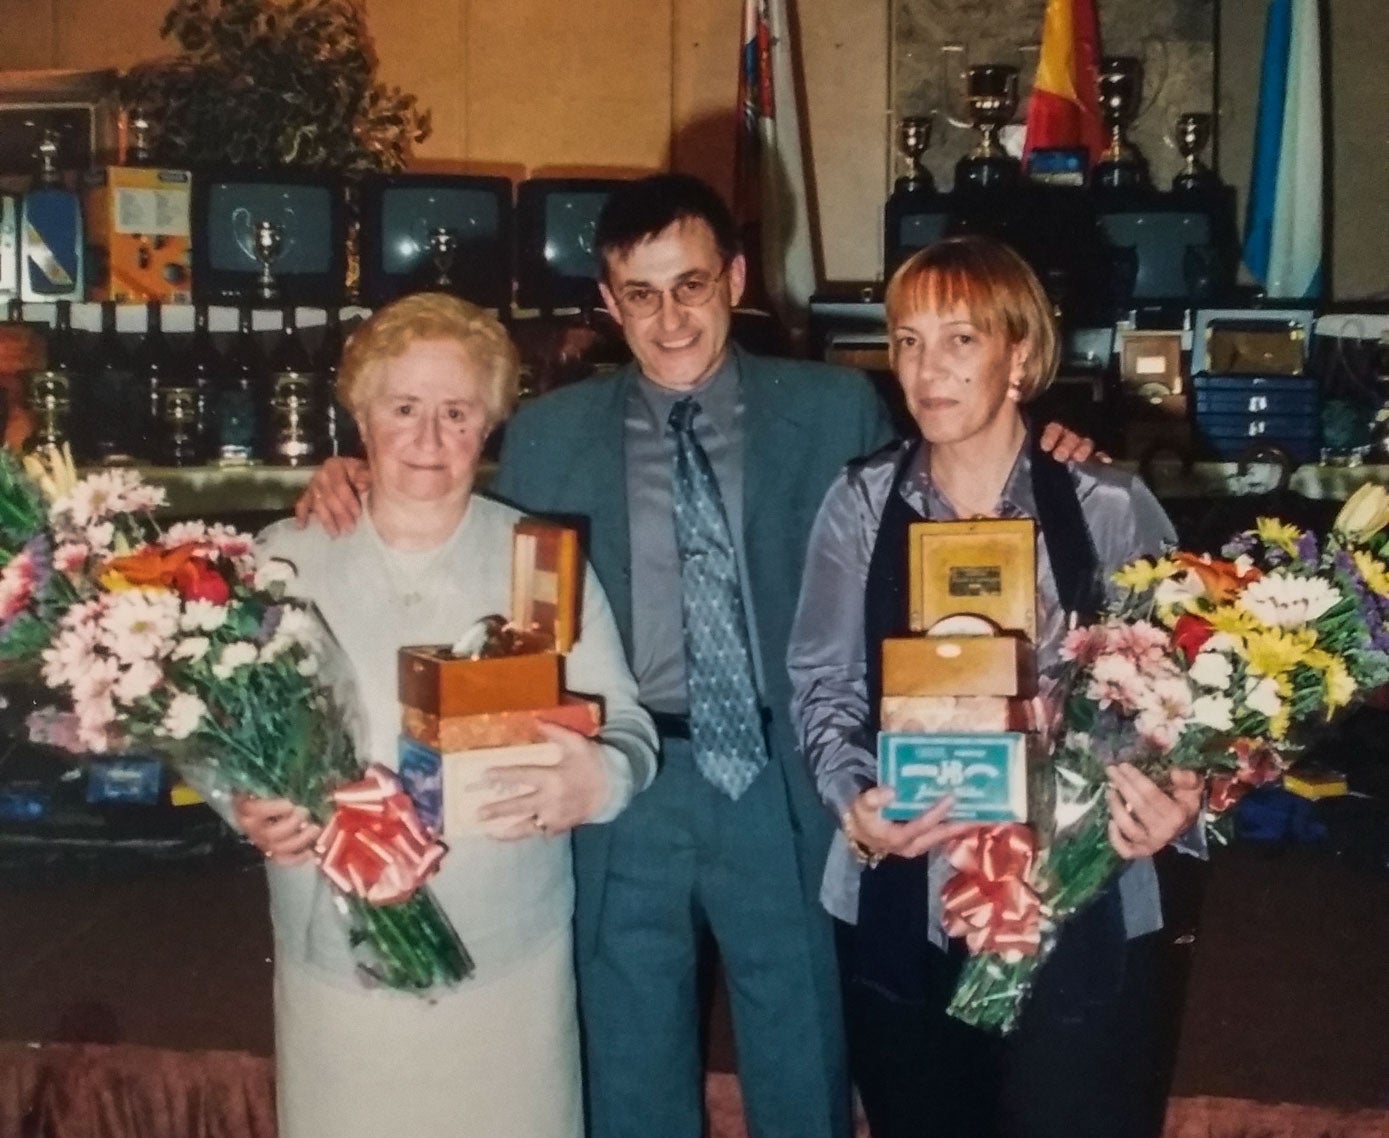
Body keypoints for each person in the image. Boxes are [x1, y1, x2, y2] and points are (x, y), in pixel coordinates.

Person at [296, 174, 1096, 1138]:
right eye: (640, 293)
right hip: (623, 783)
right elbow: (446, 506)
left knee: (801, 1045)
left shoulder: (835, 407)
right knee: (627, 1054)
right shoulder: (551, 436)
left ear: (735, 278)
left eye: (690, 286)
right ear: (607, 300)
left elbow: (947, 491)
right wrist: (343, 472)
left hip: (784, 779)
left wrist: (1045, 453)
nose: (669, 318)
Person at [787, 234, 1203, 1138]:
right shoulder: (857, 505)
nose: (926, 369)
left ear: (1019, 353)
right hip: (909, 893)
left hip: (1078, 898)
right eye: (905, 339)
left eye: (959, 339)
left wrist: (1180, 799)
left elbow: (1187, 699)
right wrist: (852, 799)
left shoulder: (1106, 506)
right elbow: (821, 685)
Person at [235, 292, 657, 1138]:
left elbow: (631, 733)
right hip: (335, 953)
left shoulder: (537, 562)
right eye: (404, 409)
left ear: (491, 422)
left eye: (458, 413)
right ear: (360, 415)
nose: (429, 439)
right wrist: (243, 806)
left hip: (508, 955)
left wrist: (597, 778)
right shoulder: (285, 559)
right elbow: (224, 729)